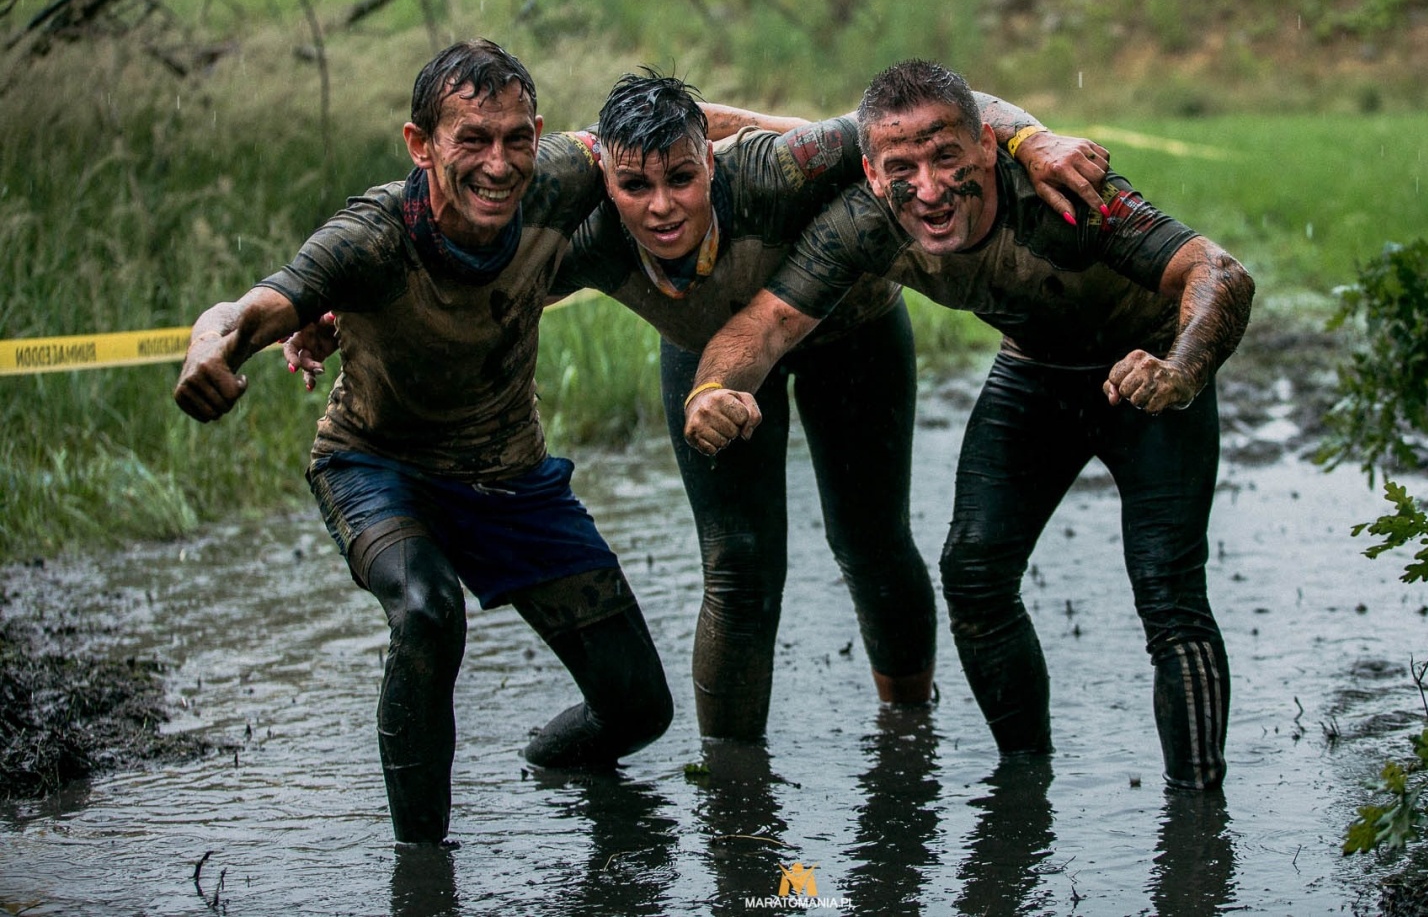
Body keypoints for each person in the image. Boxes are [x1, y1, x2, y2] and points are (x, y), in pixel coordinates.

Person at [289, 69, 1113, 743]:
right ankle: (731, 784)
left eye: (681, 178)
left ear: (711, 165)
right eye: (634, 186)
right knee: (738, 561)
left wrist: (1032, 139)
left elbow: (937, 112)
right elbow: (460, 276)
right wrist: (341, 315)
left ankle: (908, 729)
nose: (660, 206)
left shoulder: (776, 165)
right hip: (709, 353)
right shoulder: (585, 233)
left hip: (847, 330)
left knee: (869, 538)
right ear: (604, 184)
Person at [684, 59, 1255, 789]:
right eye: (903, 167)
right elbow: (765, 324)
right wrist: (709, 389)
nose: (928, 188)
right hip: (1036, 371)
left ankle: (1199, 817)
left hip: (1146, 374)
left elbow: (1219, 271)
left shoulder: (1060, 191)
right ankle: (1024, 782)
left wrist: (1178, 371)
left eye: (947, 156)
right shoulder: (865, 219)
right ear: (871, 170)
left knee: (1169, 592)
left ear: (989, 145)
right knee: (975, 574)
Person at [173, 39, 675, 846]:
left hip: (509, 476)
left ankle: (546, 775)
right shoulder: (371, 236)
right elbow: (249, 307)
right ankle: (424, 872)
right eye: (471, 140)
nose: (498, 164)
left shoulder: (562, 174)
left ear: (537, 132)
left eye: (515, 138)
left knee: (640, 709)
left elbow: (678, 135)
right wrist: (208, 348)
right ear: (421, 144)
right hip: (375, 467)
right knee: (429, 610)